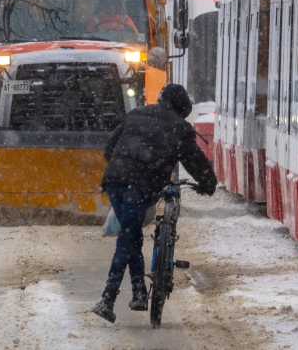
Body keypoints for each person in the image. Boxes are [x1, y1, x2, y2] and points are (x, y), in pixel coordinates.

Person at [92, 83, 217, 323]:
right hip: (138, 186)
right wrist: (208, 184)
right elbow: (196, 163)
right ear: (181, 109)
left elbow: (110, 148)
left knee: (131, 234)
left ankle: (139, 291)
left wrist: (124, 165)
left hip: (114, 181)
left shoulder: (136, 113)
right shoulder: (180, 127)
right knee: (127, 238)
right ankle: (107, 298)